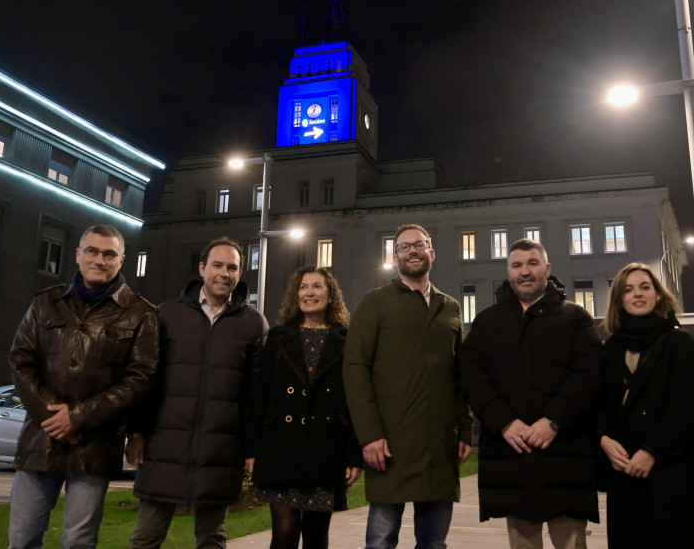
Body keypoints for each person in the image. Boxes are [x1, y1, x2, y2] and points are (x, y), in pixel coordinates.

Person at [8, 224, 160, 549]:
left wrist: (77, 417)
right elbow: (20, 361)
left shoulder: (142, 314)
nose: (99, 260)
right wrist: (53, 417)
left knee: (78, 541)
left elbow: (140, 379)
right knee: (22, 538)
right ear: (78, 255)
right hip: (40, 439)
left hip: (96, 446)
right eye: (92, 251)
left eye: (109, 254)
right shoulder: (45, 303)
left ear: (122, 260)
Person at [459, 238, 603, 549]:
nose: (525, 271)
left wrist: (553, 420)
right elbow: (472, 377)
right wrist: (504, 422)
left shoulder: (576, 318)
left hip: (565, 452)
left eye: (532, 263)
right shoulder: (486, 322)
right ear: (508, 273)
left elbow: (589, 375)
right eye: (517, 265)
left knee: (572, 544)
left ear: (547, 269)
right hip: (513, 454)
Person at [128, 237, 268, 549]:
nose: (224, 273)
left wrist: (252, 448)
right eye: (217, 265)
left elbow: (258, 394)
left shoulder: (253, 323)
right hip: (164, 447)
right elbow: (146, 378)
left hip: (221, 451)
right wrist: (137, 432)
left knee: (212, 540)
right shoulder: (167, 315)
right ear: (202, 268)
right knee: (146, 539)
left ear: (240, 273)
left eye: (232, 267)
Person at [343, 223, 473, 549]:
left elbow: (461, 375)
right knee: (381, 542)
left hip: (439, 446)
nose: (412, 250)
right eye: (404, 246)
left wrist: (465, 430)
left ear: (432, 252)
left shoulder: (451, 308)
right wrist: (369, 434)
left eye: (419, 244)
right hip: (390, 445)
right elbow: (355, 369)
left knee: (433, 544)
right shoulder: (375, 303)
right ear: (395, 256)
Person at [246, 266, 363, 549]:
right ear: (295, 295)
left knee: (315, 535)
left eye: (317, 286)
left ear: (331, 295)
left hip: (325, 449)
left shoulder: (347, 340)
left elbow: (354, 400)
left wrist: (353, 455)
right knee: (284, 534)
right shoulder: (278, 337)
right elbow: (260, 395)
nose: (309, 292)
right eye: (303, 287)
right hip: (281, 448)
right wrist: (251, 449)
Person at [597, 263, 694, 549]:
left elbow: (687, 407)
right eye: (628, 289)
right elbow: (600, 404)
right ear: (619, 299)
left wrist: (651, 451)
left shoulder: (677, 341)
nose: (638, 294)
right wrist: (604, 439)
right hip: (624, 471)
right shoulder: (611, 349)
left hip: (670, 471)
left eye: (645, 287)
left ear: (658, 295)